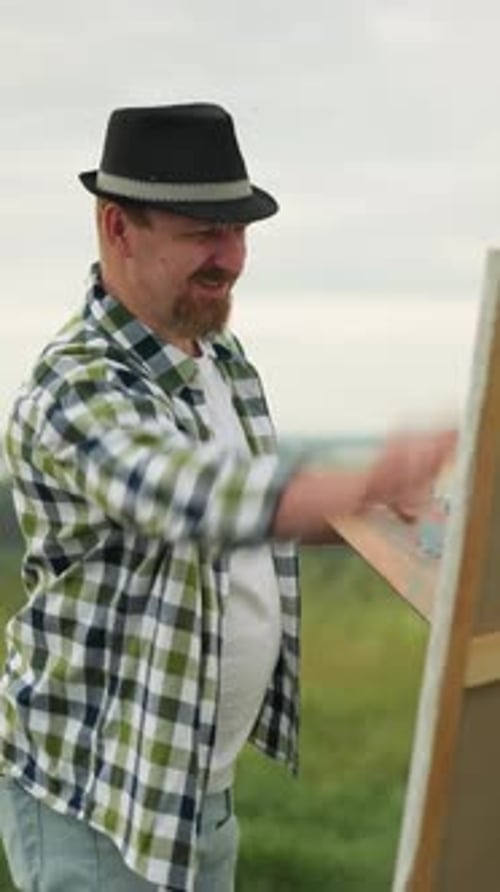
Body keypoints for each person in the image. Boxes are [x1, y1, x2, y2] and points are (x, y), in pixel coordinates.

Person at [0, 103, 455, 892]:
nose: (232, 257)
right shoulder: (72, 387)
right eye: (202, 233)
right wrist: (368, 477)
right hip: (99, 803)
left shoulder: (222, 357)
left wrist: (379, 516)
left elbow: (251, 515)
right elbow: (197, 500)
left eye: (239, 230)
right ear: (118, 227)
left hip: (192, 791)